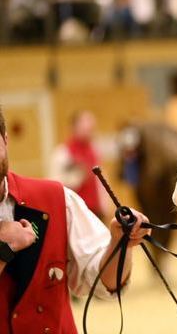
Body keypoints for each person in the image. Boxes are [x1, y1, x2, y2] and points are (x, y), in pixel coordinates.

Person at [0, 106, 151, 333]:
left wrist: (118, 243)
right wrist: (3, 249)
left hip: (76, 210)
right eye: (85, 124)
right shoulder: (64, 153)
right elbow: (60, 174)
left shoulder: (59, 198)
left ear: (5, 140)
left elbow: (103, 282)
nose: (89, 129)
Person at [50, 110, 105, 219]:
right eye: (84, 126)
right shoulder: (63, 152)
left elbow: (100, 180)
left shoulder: (94, 149)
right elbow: (55, 184)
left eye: (91, 128)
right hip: (75, 211)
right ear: (74, 127)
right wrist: (79, 175)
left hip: (95, 210)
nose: (89, 130)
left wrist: (104, 204)